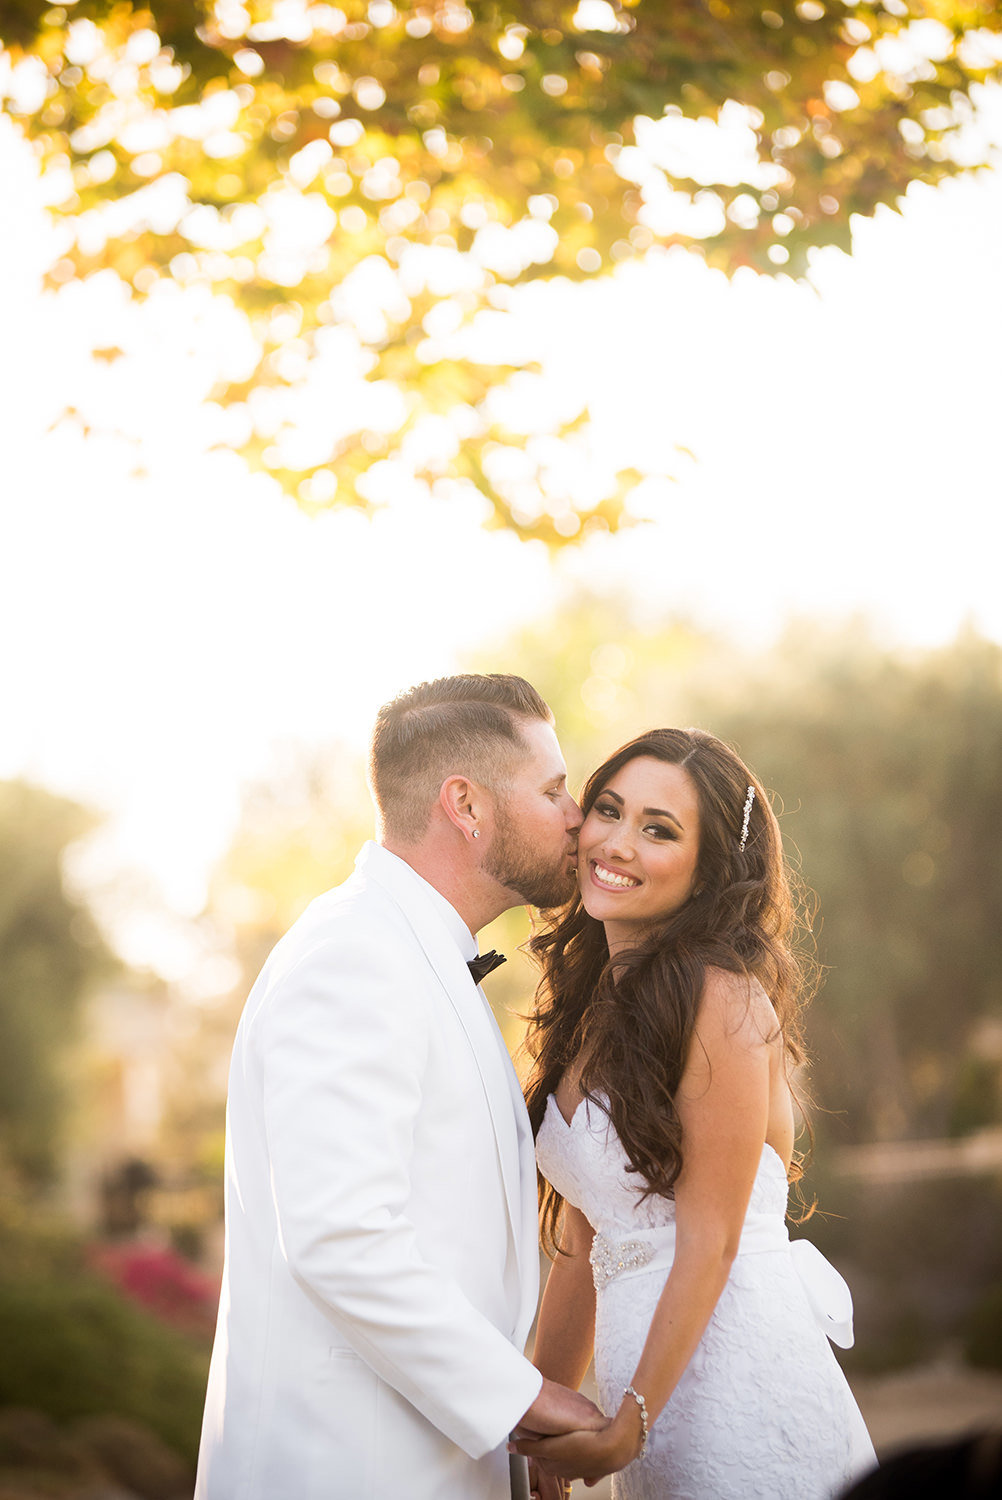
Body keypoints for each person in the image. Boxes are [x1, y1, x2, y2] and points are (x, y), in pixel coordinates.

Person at [195, 674, 606, 1500]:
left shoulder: (411, 954)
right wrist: (526, 1400)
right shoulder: (353, 958)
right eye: (555, 789)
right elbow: (342, 1234)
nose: (578, 817)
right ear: (467, 804)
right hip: (347, 1470)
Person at [512, 727, 877, 1500]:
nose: (616, 843)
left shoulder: (726, 997)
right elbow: (585, 1239)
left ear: (708, 870)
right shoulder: (587, 1009)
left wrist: (627, 1424)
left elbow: (708, 1240)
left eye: (659, 829)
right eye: (608, 810)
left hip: (741, 1383)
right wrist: (538, 1415)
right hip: (646, 1395)